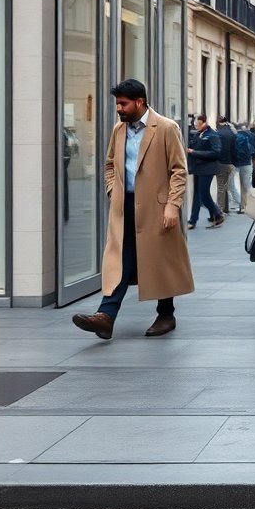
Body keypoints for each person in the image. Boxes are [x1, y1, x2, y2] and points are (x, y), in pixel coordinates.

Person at [73, 79, 195, 339]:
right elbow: (109, 165)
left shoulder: (166, 127)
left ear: (139, 102)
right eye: (118, 103)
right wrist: (111, 190)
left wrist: (173, 205)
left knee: (160, 260)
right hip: (124, 205)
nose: (119, 108)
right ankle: (106, 316)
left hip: (157, 207)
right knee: (121, 258)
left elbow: (179, 170)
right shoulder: (119, 130)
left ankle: (166, 314)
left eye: (123, 103)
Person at [186, 115, 225, 229]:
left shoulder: (212, 135)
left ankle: (217, 214)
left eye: (199, 124)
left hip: (208, 169)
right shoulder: (198, 134)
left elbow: (216, 152)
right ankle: (193, 220)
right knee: (197, 195)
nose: (197, 127)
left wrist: (194, 152)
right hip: (198, 169)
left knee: (204, 195)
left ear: (205, 123)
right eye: (196, 125)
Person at [214, 116, 238, 215]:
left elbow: (216, 150)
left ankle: (219, 210)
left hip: (220, 163)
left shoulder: (218, 133)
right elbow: (235, 149)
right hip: (230, 163)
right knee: (225, 186)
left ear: (218, 122)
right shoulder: (232, 133)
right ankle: (224, 208)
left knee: (221, 187)